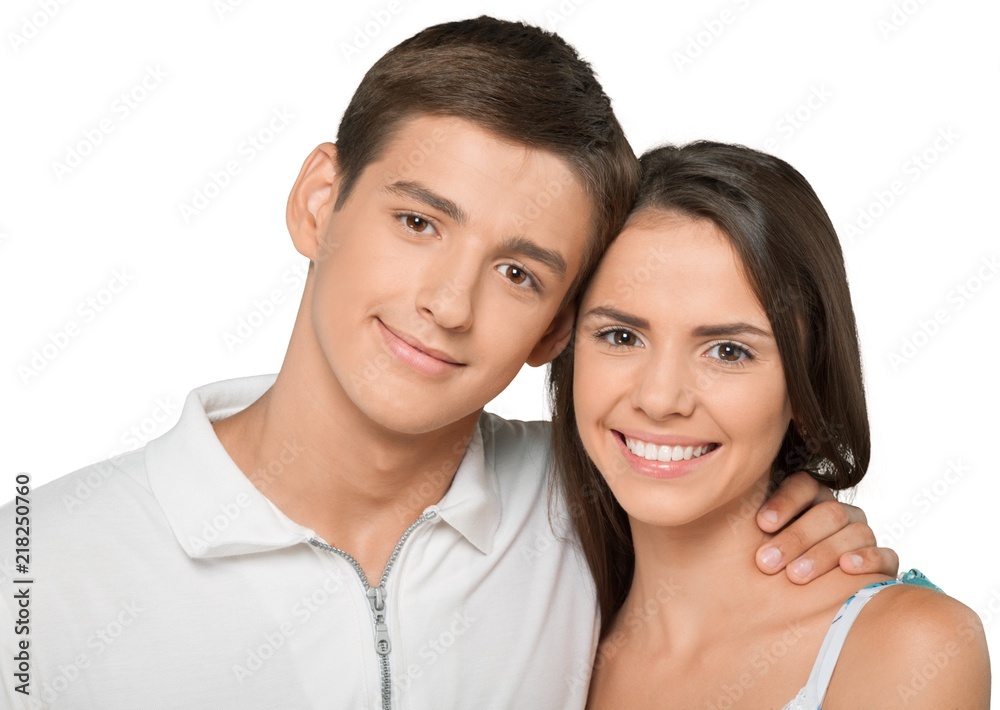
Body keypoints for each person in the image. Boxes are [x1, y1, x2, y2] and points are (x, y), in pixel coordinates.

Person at [1, 19, 897, 710]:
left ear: (556, 327)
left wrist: (798, 521)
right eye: (419, 222)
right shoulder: (36, 573)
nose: (449, 303)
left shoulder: (595, 500)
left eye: (519, 272)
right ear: (320, 202)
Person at [550, 141, 991, 708]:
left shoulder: (909, 647)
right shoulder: (540, 637)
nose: (659, 399)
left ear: (806, 385)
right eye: (621, 336)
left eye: (728, 351)